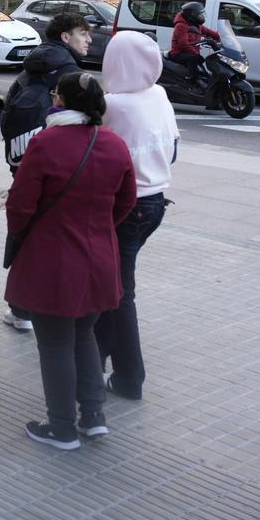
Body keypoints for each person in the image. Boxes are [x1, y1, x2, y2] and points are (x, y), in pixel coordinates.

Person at [6, 72, 137, 450]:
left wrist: (29, 233)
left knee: (55, 343)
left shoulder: (46, 142)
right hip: (100, 259)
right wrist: (98, 228)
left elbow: (20, 204)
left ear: (60, 101)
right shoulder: (114, 143)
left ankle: (61, 426)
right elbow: (126, 201)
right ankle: (93, 417)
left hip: (54, 261)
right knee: (85, 336)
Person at [93, 32, 178, 401]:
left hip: (124, 206)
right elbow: (173, 149)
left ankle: (129, 377)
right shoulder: (158, 95)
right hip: (156, 201)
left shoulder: (113, 105)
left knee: (118, 292)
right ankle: (99, 359)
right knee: (115, 285)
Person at [0, 11, 92, 331]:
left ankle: (21, 310)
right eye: (83, 33)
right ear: (65, 37)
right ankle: (58, 306)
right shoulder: (70, 75)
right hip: (63, 169)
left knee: (28, 235)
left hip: (24, 162)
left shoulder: (31, 68)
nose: (89, 40)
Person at [168, 1, 219, 82]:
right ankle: (192, 79)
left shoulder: (196, 24)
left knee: (200, 60)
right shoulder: (181, 26)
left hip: (189, 52)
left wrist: (220, 37)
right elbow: (183, 44)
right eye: (199, 14)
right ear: (192, 15)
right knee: (194, 58)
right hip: (178, 53)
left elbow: (209, 32)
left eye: (202, 14)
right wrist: (196, 53)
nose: (202, 16)